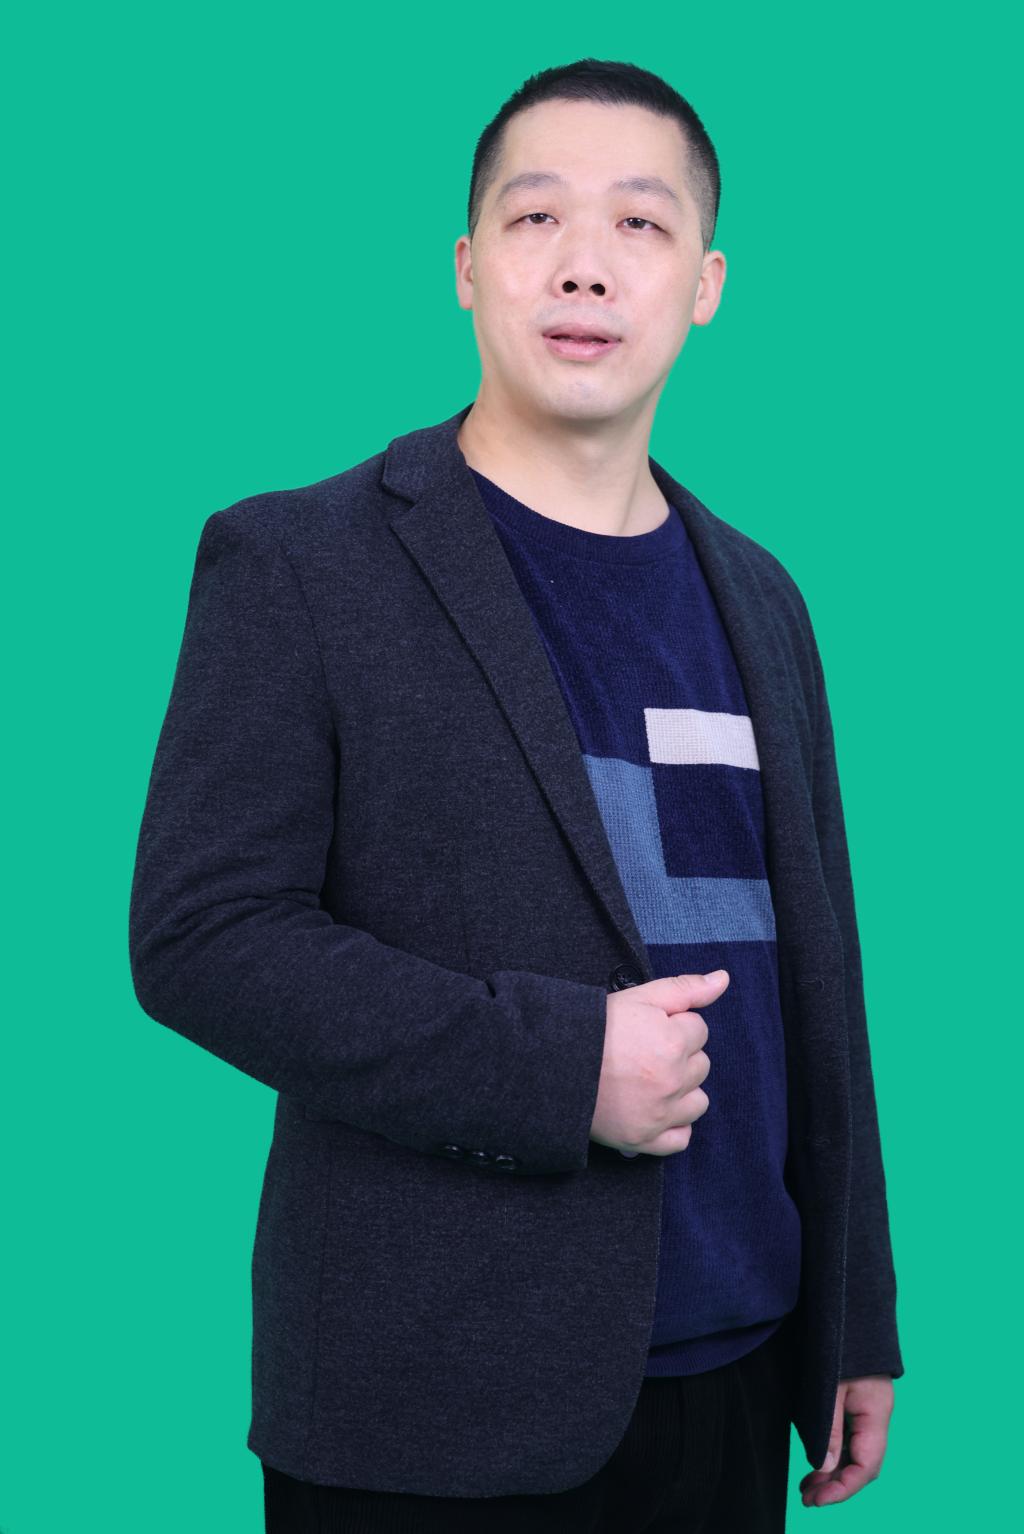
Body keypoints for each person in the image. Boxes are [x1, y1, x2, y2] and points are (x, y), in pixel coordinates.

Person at [128, 57, 904, 1533]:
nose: (586, 265)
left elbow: (820, 977)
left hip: (739, 1375)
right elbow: (202, 937)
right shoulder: (300, 564)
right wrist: (557, 1070)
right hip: (426, 1404)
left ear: (706, 285)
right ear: (468, 267)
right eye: (537, 216)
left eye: (641, 224)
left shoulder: (764, 597)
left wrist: (854, 1304)